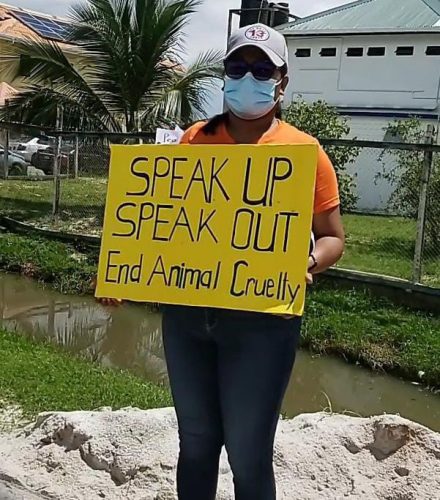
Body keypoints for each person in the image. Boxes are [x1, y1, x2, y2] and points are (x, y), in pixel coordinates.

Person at [101, 23, 344, 500]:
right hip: (187, 318)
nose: (247, 77)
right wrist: (126, 269)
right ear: (224, 74)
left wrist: (306, 262)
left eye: (260, 68)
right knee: (195, 443)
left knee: (249, 454)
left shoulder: (306, 151)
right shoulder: (193, 140)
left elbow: (333, 238)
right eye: (237, 67)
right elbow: (167, 224)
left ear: (282, 80)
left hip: (263, 323)